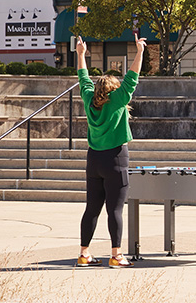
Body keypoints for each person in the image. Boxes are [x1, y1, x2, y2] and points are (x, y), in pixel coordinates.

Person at [76, 34, 145, 268]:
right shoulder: (117, 100)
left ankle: (84, 253)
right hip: (116, 158)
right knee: (115, 209)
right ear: (114, 90)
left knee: (92, 209)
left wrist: (80, 54)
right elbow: (132, 78)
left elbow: (83, 78)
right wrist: (139, 52)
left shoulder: (89, 99)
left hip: (93, 159)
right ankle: (116, 255)